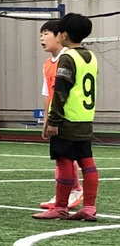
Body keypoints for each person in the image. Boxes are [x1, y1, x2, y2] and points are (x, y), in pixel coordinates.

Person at [33, 13, 99, 221]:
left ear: (64, 35)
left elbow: (60, 91)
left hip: (66, 120)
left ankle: (60, 207)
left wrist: (53, 121)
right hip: (85, 118)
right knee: (87, 162)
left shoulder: (67, 58)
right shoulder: (91, 57)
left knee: (64, 162)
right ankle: (89, 207)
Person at [36, 19, 83, 211]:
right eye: (41, 34)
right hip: (55, 115)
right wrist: (46, 120)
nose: (42, 38)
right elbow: (47, 92)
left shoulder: (69, 57)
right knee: (60, 156)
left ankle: (75, 190)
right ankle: (66, 192)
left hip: (69, 115)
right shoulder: (48, 63)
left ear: (60, 36)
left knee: (68, 156)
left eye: (46, 33)